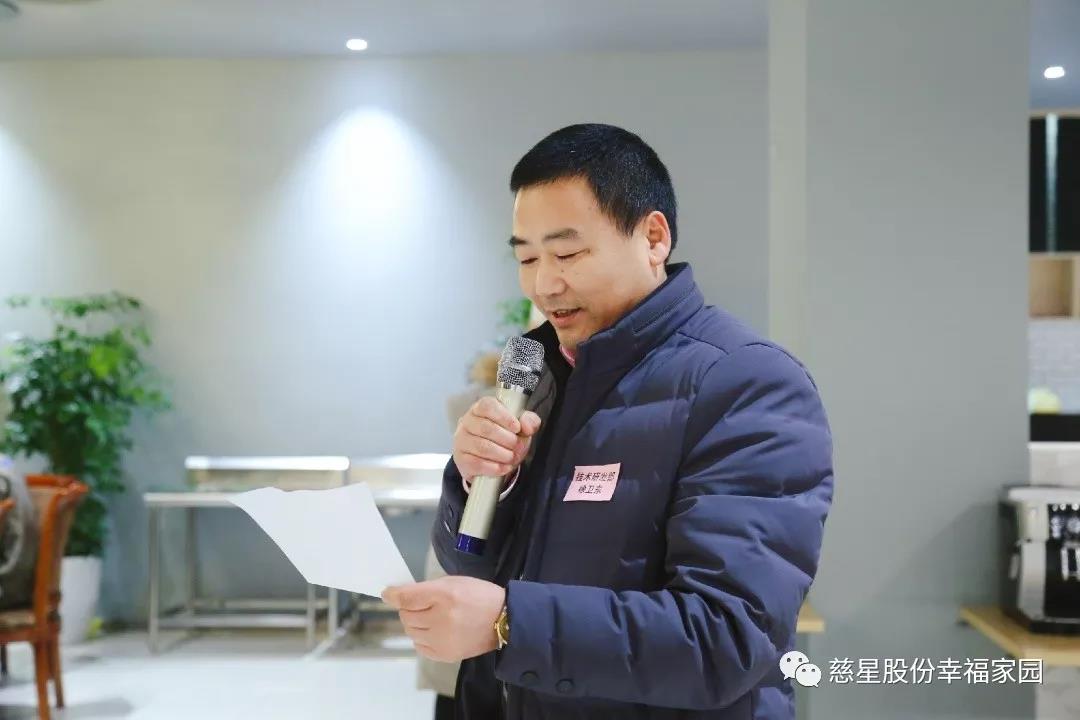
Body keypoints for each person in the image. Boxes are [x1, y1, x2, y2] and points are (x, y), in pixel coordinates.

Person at [383, 123, 834, 719]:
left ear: (653, 237)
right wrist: (480, 482)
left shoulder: (746, 383)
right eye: (527, 257)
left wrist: (510, 622)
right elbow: (471, 565)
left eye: (567, 253)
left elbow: (727, 639)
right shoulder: (542, 374)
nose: (544, 284)